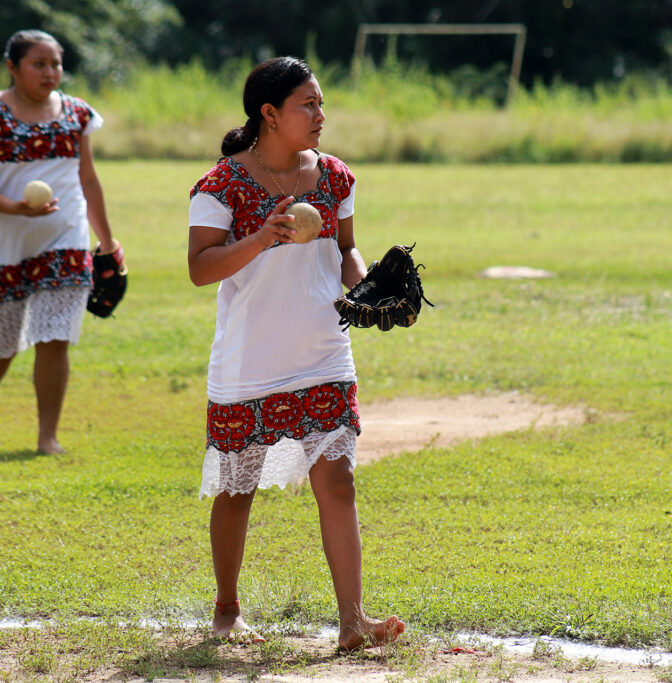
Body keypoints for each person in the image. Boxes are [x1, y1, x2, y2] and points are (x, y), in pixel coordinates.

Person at [187, 56, 406, 650]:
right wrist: (261, 237)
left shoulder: (335, 176)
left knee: (337, 483)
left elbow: (346, 250)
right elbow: (200, 268)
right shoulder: (220, 185)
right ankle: (228, 609)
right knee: (238, 491)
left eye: (321, 103)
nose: (320, 115)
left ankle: (353, 622)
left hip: (323, 353)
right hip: (249, 362)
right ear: (269, 113)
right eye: (307, 104)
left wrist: (366, 287)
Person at [0, 29, 121, 454]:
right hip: (1, 246)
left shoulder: (78, 113)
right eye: (39, 64)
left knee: (55, 335)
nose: (51, 72)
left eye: (56, 64)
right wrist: (15, 208)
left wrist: (106, 239)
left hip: (64, 240)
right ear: (12, 67)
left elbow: (88, 180)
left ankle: (47, 437)